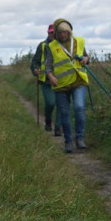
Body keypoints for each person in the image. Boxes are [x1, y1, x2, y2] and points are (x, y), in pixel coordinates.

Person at [44, 19, 89, 153]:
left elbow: (86, 57)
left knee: (79, 107)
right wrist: (51, 76)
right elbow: (48, 67)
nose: (63, 35)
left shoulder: (79, 42)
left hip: (78, 81)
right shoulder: (51, 46)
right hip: (61, 85)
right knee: (64, 113)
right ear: (56, 34)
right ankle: (68, 141)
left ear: (69, 32)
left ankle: (80, 138)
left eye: (65, 32)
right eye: (60, 32)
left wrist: (86, 59)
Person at [30, 23, 63, 135]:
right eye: (50, 32)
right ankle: (48, 122)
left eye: (54, 32)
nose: (52, 34)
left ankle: (58, 127)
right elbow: (35, 61)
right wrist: (35, 69)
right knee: (50, 103)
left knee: (60, 103)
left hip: (61, 79)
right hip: (46, 80)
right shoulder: (43, 45)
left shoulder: (62, 45)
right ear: (48, 33)